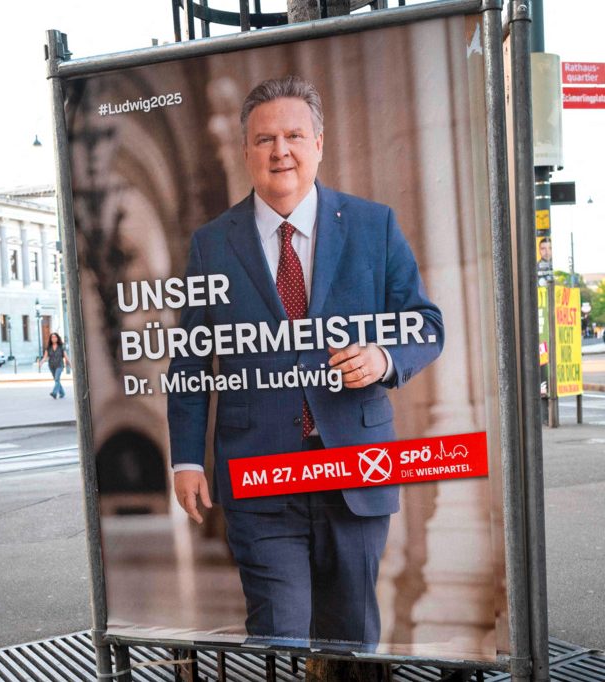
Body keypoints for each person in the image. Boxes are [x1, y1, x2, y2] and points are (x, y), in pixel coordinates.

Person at [166, 75, 444, 650]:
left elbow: (427, 323)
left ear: (320, 143)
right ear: (246, 153)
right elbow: (191, 361)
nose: (280, 151)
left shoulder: (375, 226)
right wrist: (186, 458)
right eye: (264, 139)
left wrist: (385, 356)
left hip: (354, 469)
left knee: (352, 644)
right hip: (260, 476)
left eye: (294, 135)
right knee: (279, 638)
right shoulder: (212, 245)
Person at [38, 332, 70, 399]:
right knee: (56, 380)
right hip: (51, 366)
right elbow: (45, 357)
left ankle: (54, 393)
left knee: (57, 379)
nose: (54, 338)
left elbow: (66, 356)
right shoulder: (48, 347)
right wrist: (41, 363)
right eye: (52, 337)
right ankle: (62, 393)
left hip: (59, 365)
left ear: (57, 338)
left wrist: (70, 364)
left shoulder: (61, 347)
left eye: (55, 337)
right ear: (50, 339)